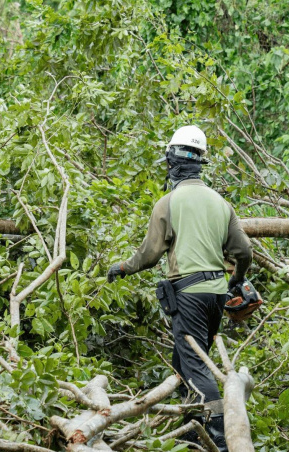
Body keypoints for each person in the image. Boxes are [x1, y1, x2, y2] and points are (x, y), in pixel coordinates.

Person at [106, 125, 252, 451]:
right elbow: (243, 252)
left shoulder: (167, 203)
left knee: (197, 370)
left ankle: (221, 441)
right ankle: (192, 436)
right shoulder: (221, 204)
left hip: (188, 296)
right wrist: (236, 281)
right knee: (184, 362)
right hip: (216, 295)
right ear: (201, 162)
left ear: (172, 162)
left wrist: (121, 268)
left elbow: (149, 254)